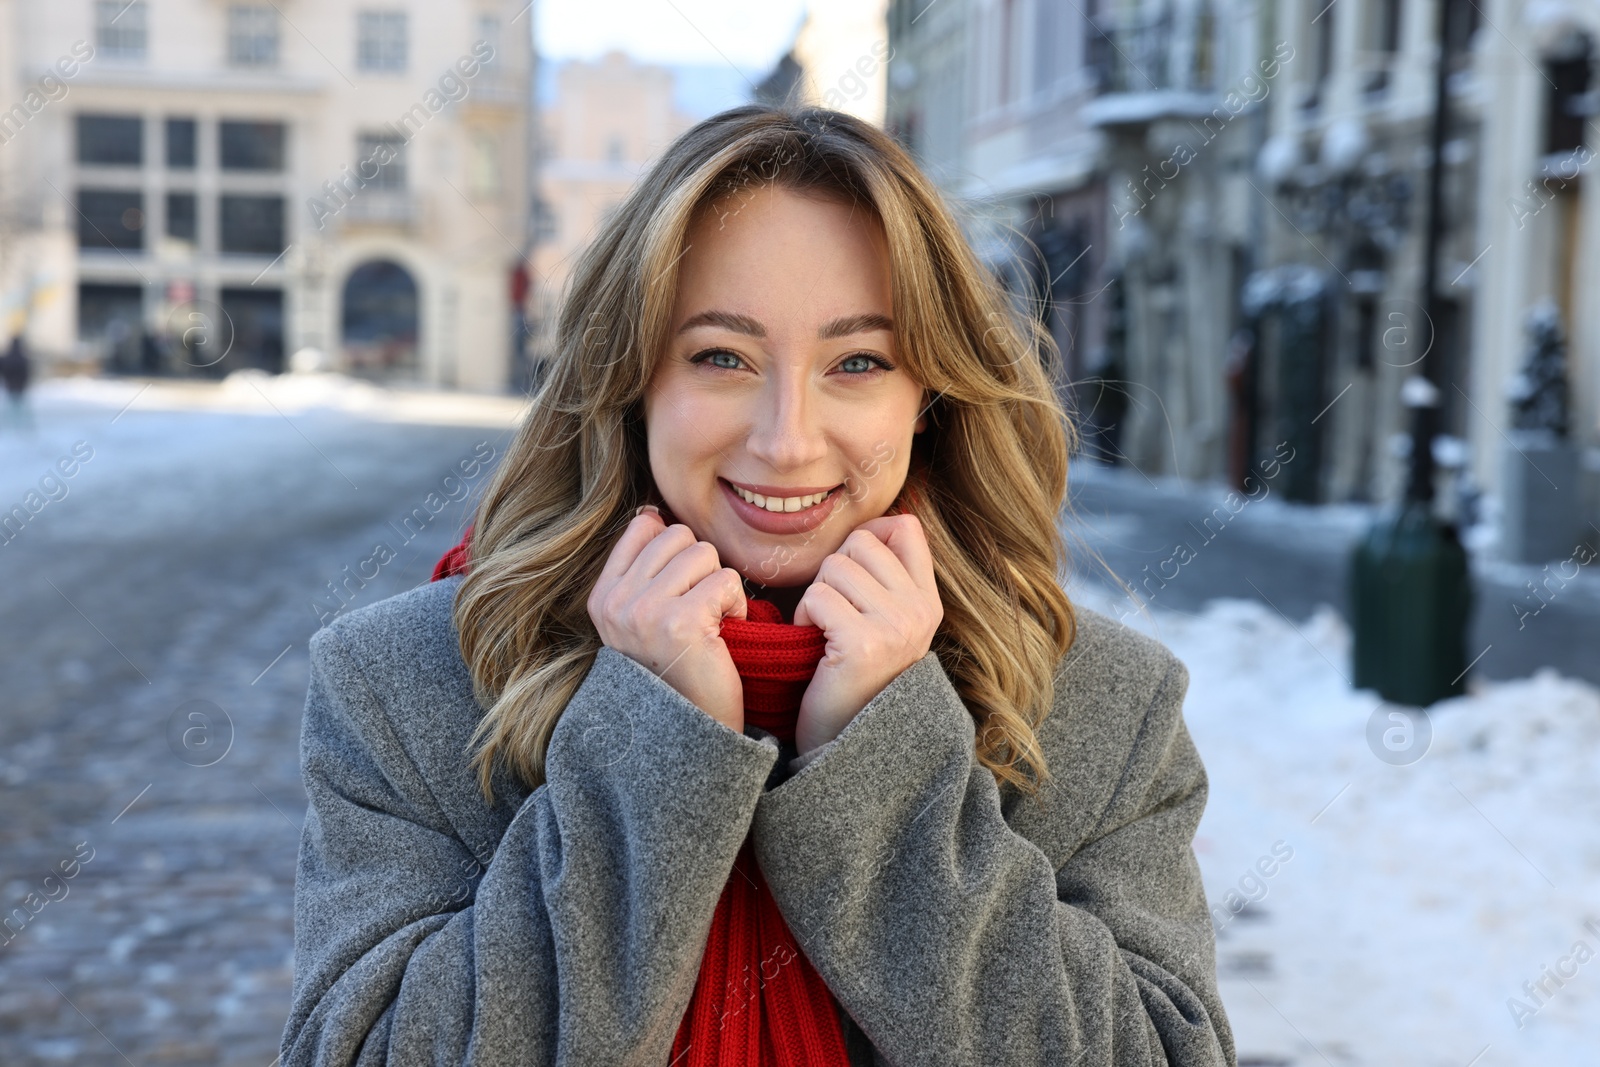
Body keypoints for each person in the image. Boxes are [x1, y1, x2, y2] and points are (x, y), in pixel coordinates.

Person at [280, 107, 1234, 1066]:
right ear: (632, 378)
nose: (786, 440)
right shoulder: (405, 685)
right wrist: (649, 748)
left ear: (930, 396)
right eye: (721, 357)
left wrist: (884, 767)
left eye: (857, 362)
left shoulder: (1104, 708)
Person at [1, 334, 35, 433]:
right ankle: (22, 425)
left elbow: (3, 370)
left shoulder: (7, 357)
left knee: (11, 406)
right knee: (20, 407)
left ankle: (10, 424)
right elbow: (27, 373)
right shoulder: (23, 357)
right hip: (20, 386)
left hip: (10, 385)